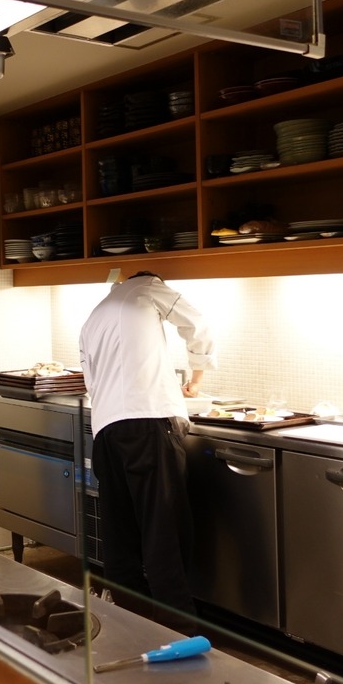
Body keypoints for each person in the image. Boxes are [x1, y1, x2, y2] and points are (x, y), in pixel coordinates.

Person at [78, 271, 217, 632]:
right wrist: (197, 378)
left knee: (119, 531)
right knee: (163, 528)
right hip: (147, 423)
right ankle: (179, 629)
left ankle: (132, 626)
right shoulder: (148, 288)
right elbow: (197, 325)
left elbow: (90, 380)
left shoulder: (96, 314)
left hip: (106, 430)